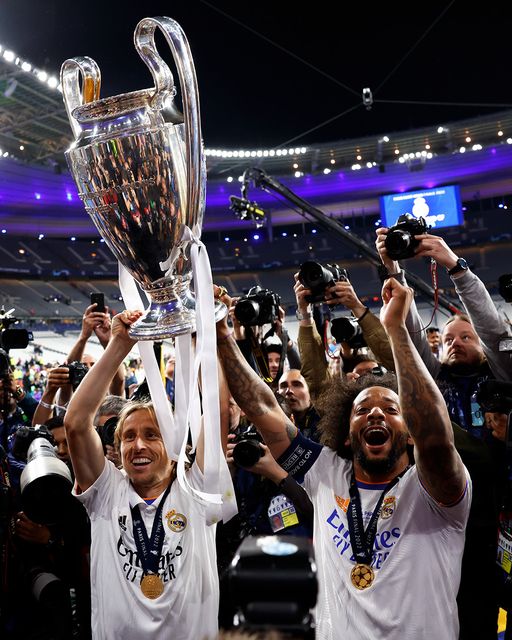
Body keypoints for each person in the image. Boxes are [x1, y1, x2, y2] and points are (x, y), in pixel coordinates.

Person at [217, 279, 471, 640]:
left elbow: (436, 436)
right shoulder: (325, 472)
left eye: (391, 409)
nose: (376, 414)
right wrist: (222, 333)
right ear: (347, 434)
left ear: (410, 431)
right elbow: (261, 406)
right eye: (362, 410)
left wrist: (397, 331)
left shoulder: (434, 489)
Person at [64, 310, 220, 640]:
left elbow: (214, 406)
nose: (138, 445)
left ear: (175, 444)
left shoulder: (197, 488)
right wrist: (119, 343)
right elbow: (76, 423)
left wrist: (204, 338)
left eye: (152, 435)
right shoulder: (106, 493)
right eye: (128, 436)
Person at [277, 369, 320, 441]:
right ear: (278, 393)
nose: (289, 391)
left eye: (296, 385)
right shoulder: (271, 422)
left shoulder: (326, 422)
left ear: (309, 391)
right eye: (284, 386)